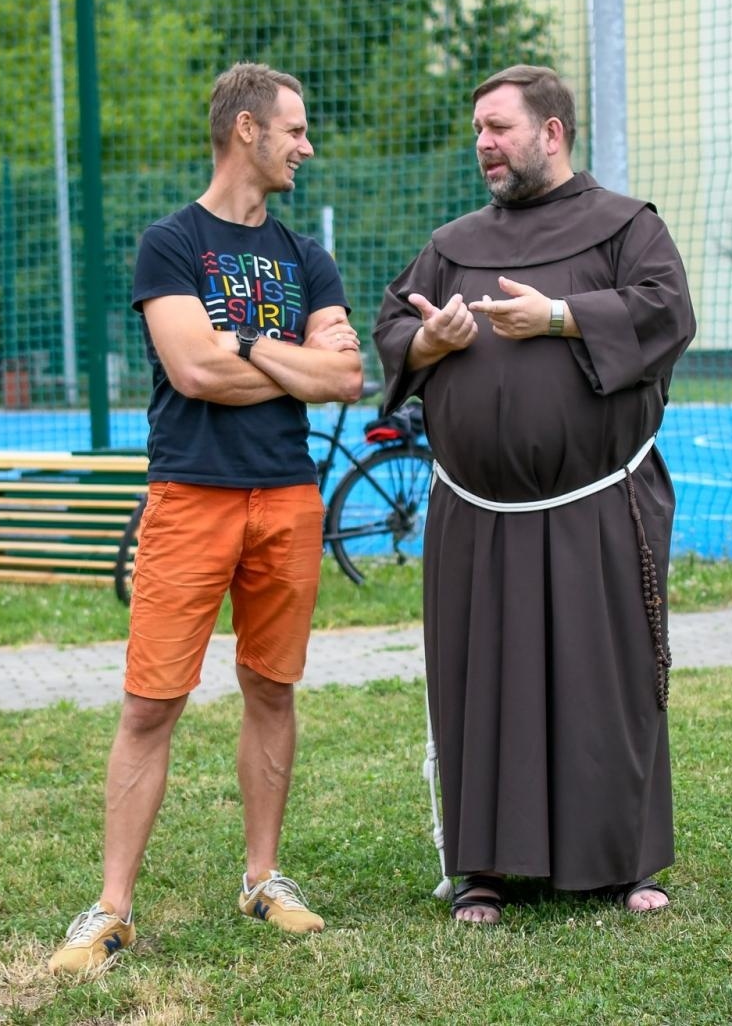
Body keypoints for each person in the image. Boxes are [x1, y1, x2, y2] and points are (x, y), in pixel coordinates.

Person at [46, 63, 362, 975]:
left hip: (288, 496)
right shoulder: (171, 243)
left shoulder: (308, 256)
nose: (307, 146)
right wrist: (289, 356)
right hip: (190, 496)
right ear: (245, 131)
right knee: (152, 704)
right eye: (294, 130)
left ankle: (264, 880)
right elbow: (192, 372)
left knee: (272, 690)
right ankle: (111, 909)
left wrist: (251, 343)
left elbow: (343, 378)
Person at [372, 65, 696, 925]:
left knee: (609, 682)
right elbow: (393, 323)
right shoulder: (453, 243)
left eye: (498, 126)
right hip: (475, 512)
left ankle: (624, 860)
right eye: (477, 127)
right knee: (482, 684)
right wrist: (431, 342)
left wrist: (559, 318)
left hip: (599, 503)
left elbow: (667, 312)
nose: (483, 142)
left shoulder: (627, 227)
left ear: (551, 132)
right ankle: (483, 866)